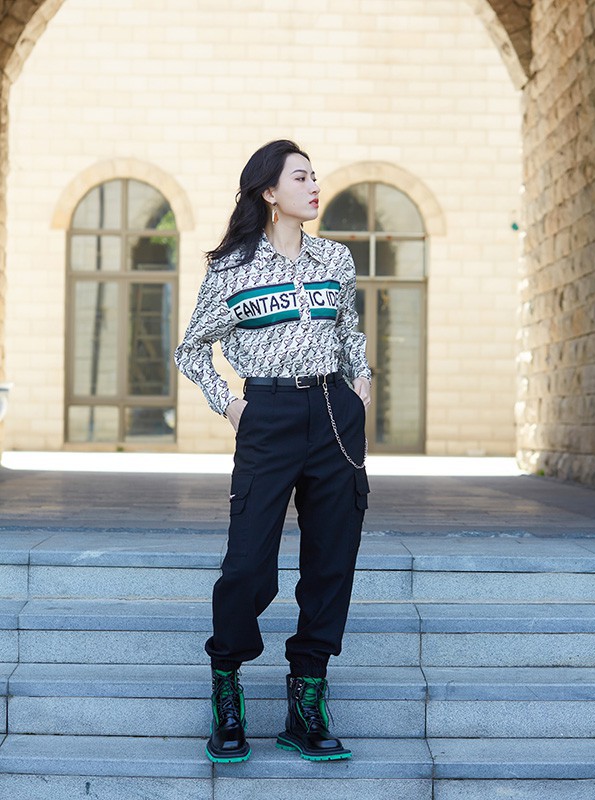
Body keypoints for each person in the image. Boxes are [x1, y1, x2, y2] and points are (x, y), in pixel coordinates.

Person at [174, 139, 371, 764]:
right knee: (247, 563)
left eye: (315, 177)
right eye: (301, 178)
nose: (315, 187)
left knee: (331, 559)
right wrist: (229, 404)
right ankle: (226, 687)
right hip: (267, 415)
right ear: (269, 192)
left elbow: (350, 333)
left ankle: (306, 700)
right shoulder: (232, 268)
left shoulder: (335, 258)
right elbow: (190, 349)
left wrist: (361, 386)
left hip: (334, 414)